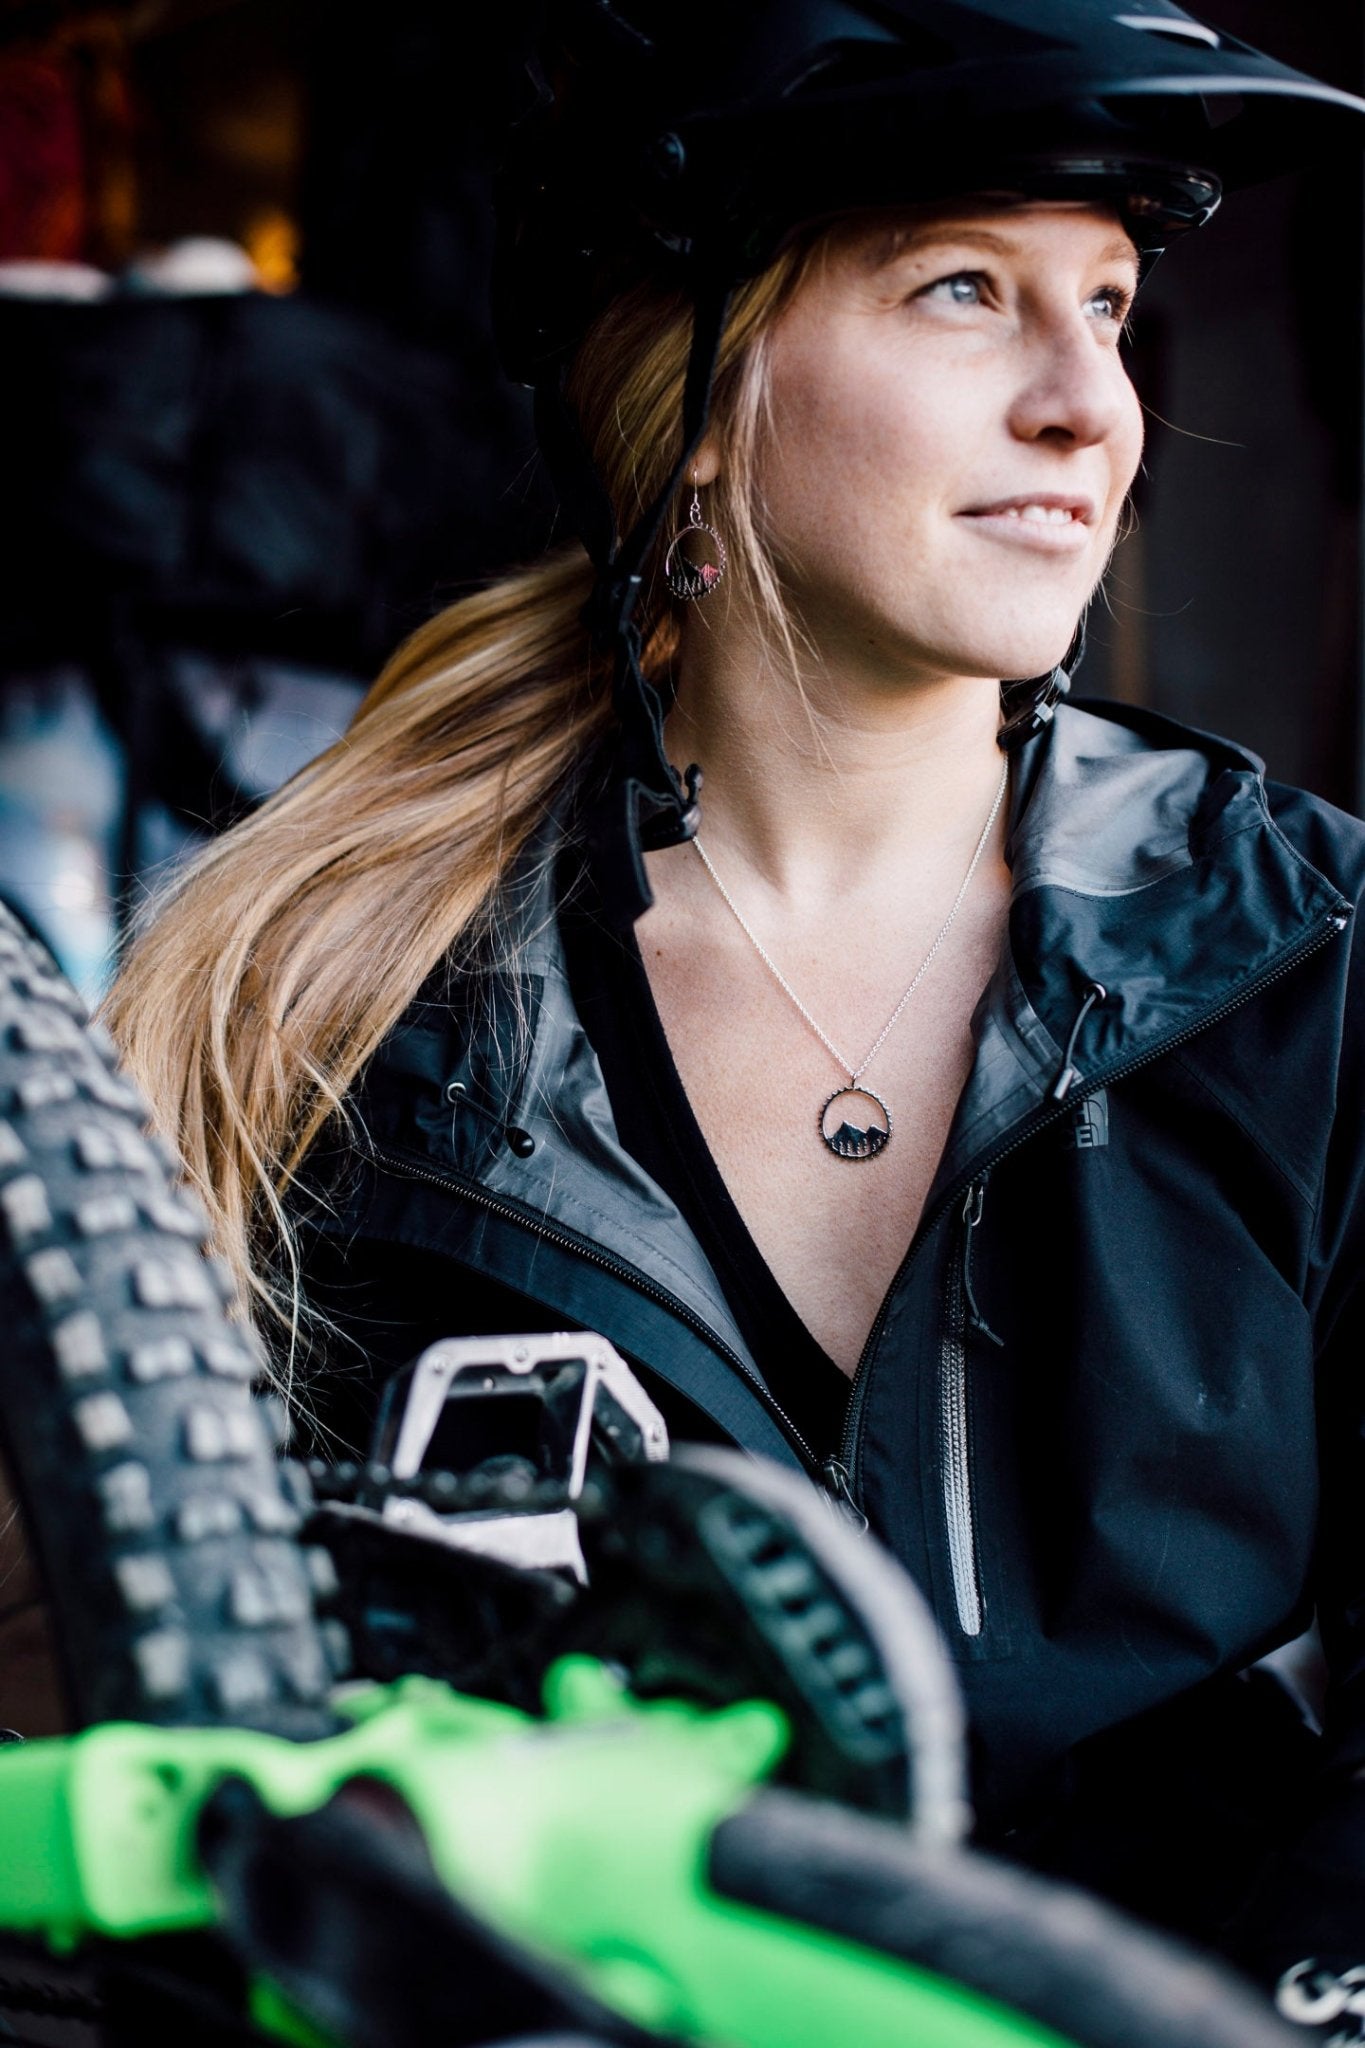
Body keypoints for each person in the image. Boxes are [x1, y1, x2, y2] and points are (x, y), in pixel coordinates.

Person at [108, 0, 1365, 2017]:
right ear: (697, 391)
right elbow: (145, 1715)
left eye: (1109, 305)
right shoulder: (329, 1001)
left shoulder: (1307, 962)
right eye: (965, 289)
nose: (1084, 404)